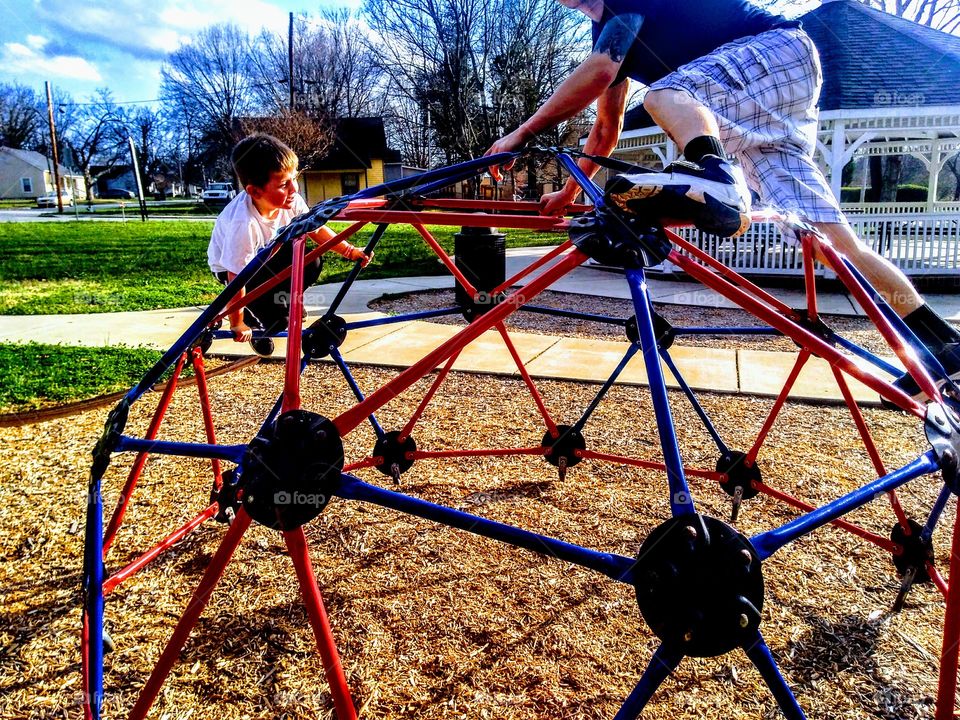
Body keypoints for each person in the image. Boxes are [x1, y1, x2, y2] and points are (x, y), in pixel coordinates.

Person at [485, 0, 959, 399]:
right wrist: (569, 191)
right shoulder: (607, 32)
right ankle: (942, 344)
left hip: (776, 54)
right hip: (757, 96)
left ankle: (715, 177)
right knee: (829, 242)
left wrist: (524, 132)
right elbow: (606, 129)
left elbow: (600, 72)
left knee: (669, 93)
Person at [208, 133, 371, 357]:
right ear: (255, 191)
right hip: (234, 271)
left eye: (294, 178)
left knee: (311, 261)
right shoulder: (242, 224)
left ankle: (283, 302)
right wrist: (236, 323)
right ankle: (254, 324)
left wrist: (350, 251)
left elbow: (316, 229)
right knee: (280, 322)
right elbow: (236, 279)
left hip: (267, 257)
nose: (294, 189)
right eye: (284, 184)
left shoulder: (291, 200)